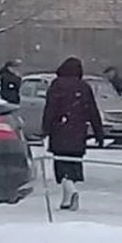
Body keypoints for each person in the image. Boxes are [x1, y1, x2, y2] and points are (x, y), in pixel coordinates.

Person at [42, 57, 105, 211]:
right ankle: (67, 199)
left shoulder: (56, 85)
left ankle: (70, 192)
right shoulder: (84, 87)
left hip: (60, 130)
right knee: (73, 164)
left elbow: (50, 109)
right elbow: (93, 111)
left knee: (61, 165)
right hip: (78, 131)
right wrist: (99, 133)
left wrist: (45, 128)